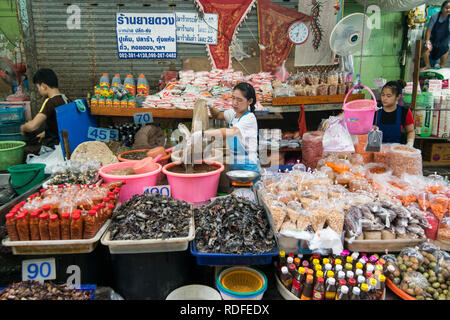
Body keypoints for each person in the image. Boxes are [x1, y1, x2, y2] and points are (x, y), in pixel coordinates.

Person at [206, 82, 260, 176]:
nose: (235, 102)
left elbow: (231, 132)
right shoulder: (233, 113)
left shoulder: (249, 118)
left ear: (250, 101)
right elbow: (218, 115)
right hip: (235, 164)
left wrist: (203, 134)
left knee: (246, 190)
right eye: (233, 98)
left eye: (239, 100)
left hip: (248, 167)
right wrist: (210, 106)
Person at [20, 68, 70, 152]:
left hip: (55, 148)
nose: (38, 90)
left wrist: (23, 127)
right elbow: (61, 123)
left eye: (38, 87)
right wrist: (44, 133)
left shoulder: (49, 101)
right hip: (66, 145)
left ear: (43, 86)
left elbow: (33, 126)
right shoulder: (65, 98)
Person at [374, 80, 415, 146]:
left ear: (398, 96)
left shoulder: (404, 112)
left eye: (388, 96)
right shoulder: (375, 110)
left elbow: (410, 131)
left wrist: (410, 143)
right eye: (383, 95)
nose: (384, 98)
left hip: (396, 151)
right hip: (377, 150)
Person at [421, 1, 450, 71]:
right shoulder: (435, 16)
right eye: (446, 8)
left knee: (445, 48)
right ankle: (427, 65)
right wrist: (427, 41)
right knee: (426, 48)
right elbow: (429, 30)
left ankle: (442, 66)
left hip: (445, 39)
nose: (448, 10)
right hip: (434, 38)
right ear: (442, 8)